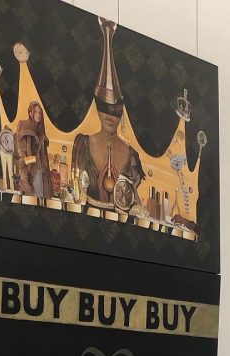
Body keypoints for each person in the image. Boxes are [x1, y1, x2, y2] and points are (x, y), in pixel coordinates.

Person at [72, 18, 145, 213]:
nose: (110, 116)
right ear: (97, 106)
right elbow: (74, 190)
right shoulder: (83, 145)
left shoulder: (132, 156)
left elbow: (135, 201)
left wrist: (138, 209)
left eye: (116, 109)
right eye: (105, 106)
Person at [16, 101, 52, 201]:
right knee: (34, 198)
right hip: (31, 171)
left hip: (40, 169)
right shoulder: (25, 128)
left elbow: (44, 156)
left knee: (42, 198)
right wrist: (24, 178)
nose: (38, 115)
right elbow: (22, 157)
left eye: (39, 112)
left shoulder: (40, 131)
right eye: (35, 112)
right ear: (30, 113)